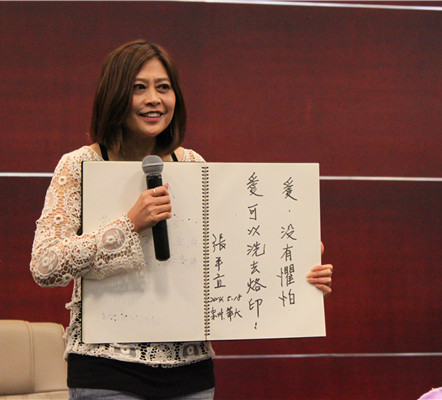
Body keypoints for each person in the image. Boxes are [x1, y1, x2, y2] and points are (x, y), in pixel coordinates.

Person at [30, 39, 334, 400]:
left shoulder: (192, 165)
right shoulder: (79, 165)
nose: (154, 99)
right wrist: (128, 225)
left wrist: (295, 268)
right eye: (138, 88)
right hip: (107, 371)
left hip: (190, 373)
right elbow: (45, 265)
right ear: (114, 95)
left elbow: (224, 257)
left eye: (163, 87)